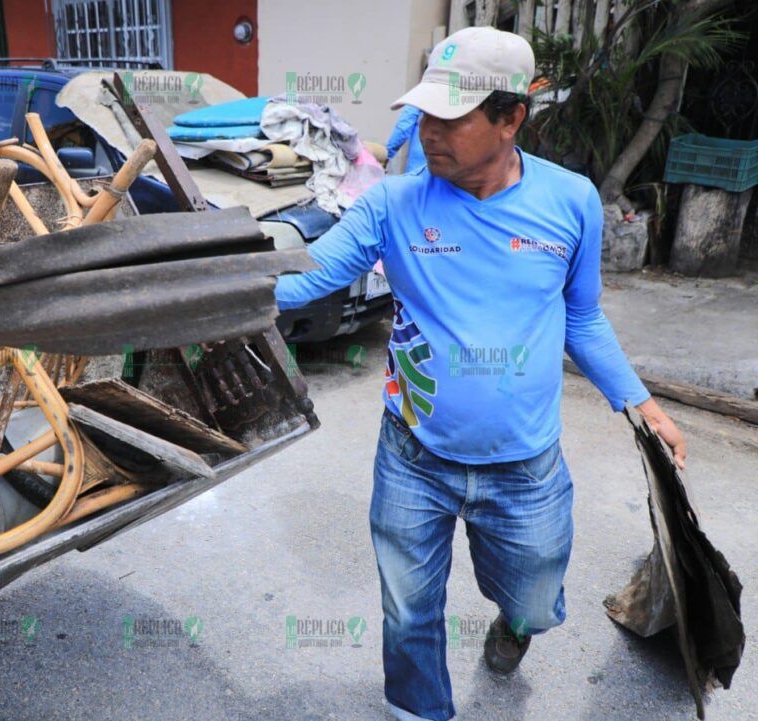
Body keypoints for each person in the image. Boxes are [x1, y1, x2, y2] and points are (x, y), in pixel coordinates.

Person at [274, 26, 686, 721]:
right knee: (408, 612)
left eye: (450, 118)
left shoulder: (571, 201)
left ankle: (514, 626)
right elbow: (303, 279)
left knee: (533, 599)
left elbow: (581, 319)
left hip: (525, 465)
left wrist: (639, 402)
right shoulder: (394, 204)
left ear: (510, 118)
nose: (430, 132)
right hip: (412, 454)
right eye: (423, 115)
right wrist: (202, 282)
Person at [385, 104, 426, 172]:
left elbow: (402, 130)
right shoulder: (448, 98)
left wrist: (386, 155)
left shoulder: (418, 97)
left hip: (418, 167)